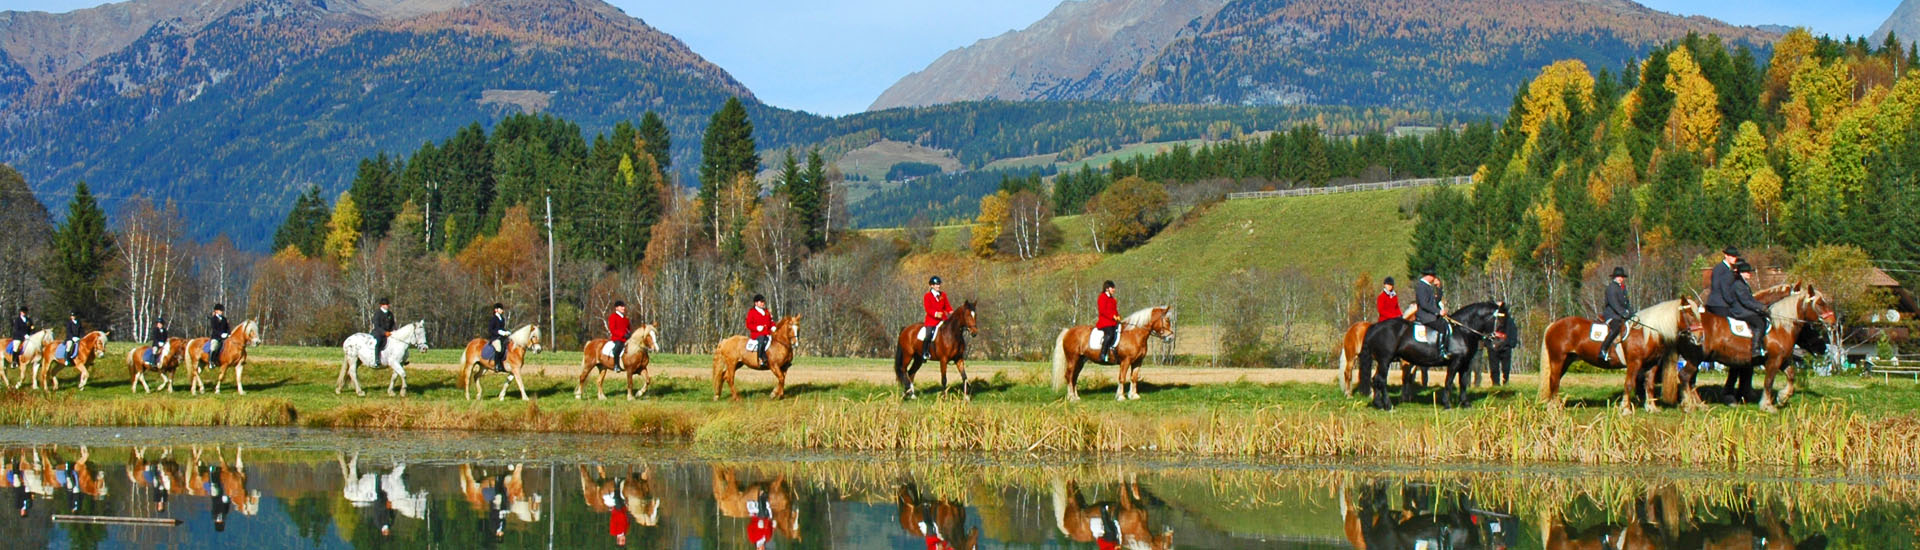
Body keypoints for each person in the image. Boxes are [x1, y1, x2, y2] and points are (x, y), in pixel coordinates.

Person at [1729, 260, 1771, 358]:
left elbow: (1751, 300)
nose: (1749, 274)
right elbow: (1745, 301)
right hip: (1739, 311)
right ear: (1741, 273)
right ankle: (1755, 349)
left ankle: (1761, 345)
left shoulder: (1743, 283)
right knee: (1759, 323)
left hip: (1743, 308)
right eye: (1747, 272)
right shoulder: (1738, 285)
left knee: (1763, 318)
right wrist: (1760, 308)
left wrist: (1762, 307)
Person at [1599, 267, 1634, 363]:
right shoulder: (1611, 288)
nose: (1620, 278)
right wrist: (1623, 313)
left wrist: (1631, 313)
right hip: (1612, 315)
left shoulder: (1623, 288)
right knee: (1616, 328)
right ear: (1614, 277)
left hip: (1621, 315)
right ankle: (1603, 350)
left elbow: (1626, 303)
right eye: (1618, 276)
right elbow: (1614, 303)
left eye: (1622, 277)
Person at [1413, 268, 1449, 358]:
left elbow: (1436, 301)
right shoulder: (1421, 286)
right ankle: (1441, 351)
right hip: (1425, 316)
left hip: (1431, 315)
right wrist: (1438, 311)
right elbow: (1424, 304)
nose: (1434, 279)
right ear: (1429, 276)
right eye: (1433, 277)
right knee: (1442, 327)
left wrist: (1439, 288)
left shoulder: (1428, 286)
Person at [920, 276, 952, 360]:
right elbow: (928, 309)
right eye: (936, 284)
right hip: (931, 321)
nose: (938, 286)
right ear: (931, 286)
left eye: (938, 284)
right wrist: (936, 314)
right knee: (928, 335)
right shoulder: (927, 296)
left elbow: (947, 306)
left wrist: (951, 312)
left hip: (943, 320)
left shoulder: (943, 295)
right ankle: (925, 352)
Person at [1095, 281, 1121, 363]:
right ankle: (1102, 354)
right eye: (1112, 288)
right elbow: (1102, 311)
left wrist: (1118, 316)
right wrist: (1112, 316)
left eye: (1114, 288)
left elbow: (1115, 310)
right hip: (1105, 322)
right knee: (1109, 335)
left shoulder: (1113, 299)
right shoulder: (1102, 297)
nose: (1114, 289)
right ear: (1107, 288)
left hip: (1113, 322)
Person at [746, 295, 773, 367]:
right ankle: (760, 358)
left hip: (767, 333)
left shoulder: (766, 311)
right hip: (757, 334)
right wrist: (757, 327)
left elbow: (771, 321)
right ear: (756, 303)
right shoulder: (752, 312)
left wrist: (773, 326)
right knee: (762, 340)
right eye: (761, 302)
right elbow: (748, 324)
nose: (763, 303)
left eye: (763, 302)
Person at [606, 300, 631, 366]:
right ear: (616, 308)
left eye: (624, 306)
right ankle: (616, 365)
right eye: (621, 306)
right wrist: (623, 335)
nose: (623, 308)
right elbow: (613, 330)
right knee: (618, 347)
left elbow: (628, 329)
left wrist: (629, 334)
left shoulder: (626, 318)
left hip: (626, 339)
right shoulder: (613, 317)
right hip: (617, 339)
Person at [487, 303, 510, 373]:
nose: (502, 310)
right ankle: (497, 365)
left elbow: (502, 328)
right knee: (499, 348)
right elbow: (490, 329)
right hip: (495, 338)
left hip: (502, 337)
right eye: (500, 309)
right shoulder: (494, 319)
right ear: (496, 310)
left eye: (502, 309)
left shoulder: (502, 319)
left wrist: (506, 332)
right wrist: (498, 332)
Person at [372, 298, 396, 364]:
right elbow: (376, 326)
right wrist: (384, 332)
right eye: (385, 304)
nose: (387, 305)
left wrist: (395, 331)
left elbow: (393, 324)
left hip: (389, 332)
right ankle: (376, 359)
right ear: (381, 305)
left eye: (387, 304)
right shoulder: (377, 313)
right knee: (379, 342)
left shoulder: (390, 314)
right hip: (378, 332)